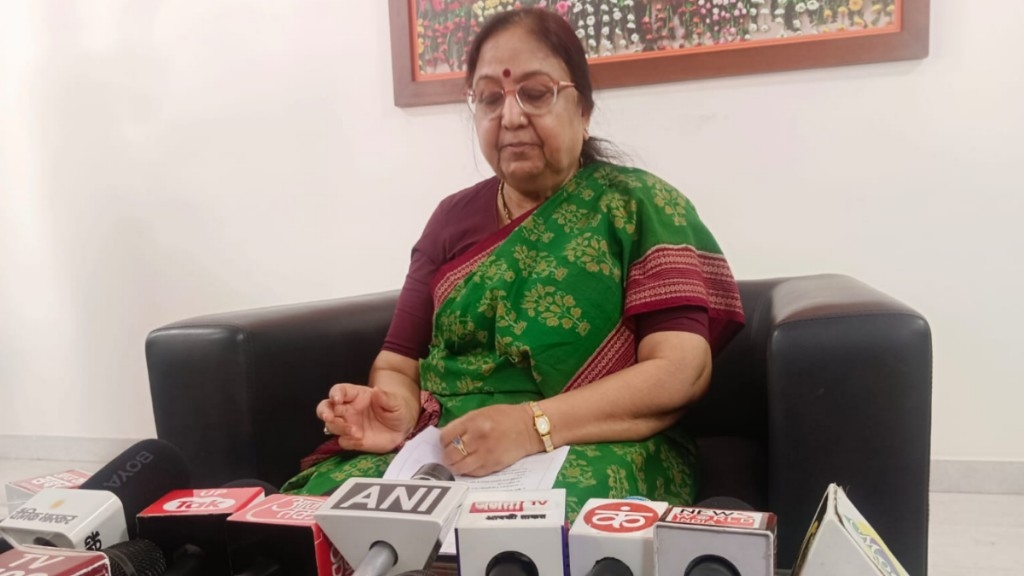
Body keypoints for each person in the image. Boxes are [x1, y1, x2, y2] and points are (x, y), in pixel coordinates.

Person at [282, 8, 745, 516]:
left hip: (592, 441)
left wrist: (529, 426)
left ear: (584, 108)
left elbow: (680, 370)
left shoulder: (638, 206)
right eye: (489, 98)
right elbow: (396, 365)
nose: (510, 116)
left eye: (536, 92)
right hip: (445, 445)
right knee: (319, 515)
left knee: (535, 532)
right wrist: (397, 411)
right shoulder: (450, 219)